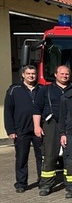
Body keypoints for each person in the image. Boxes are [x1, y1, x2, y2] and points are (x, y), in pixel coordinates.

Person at [32, 65, 71, 196]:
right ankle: (46, 184)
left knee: (70, 156)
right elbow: (37, 108)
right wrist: (37, 126)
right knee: (49, 155)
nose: (64, 76)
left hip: (70, 125)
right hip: (51, 124)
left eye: (67, 74)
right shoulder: (46, 90)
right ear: (55, 74)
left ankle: (70, 183)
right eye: (62, 73)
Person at [4, 65, 42, 193]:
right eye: (28, 73)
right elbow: (8, 111)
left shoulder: (42, 89)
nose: (31, 76)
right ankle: (21, 183)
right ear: (23, 75)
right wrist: (11, 130)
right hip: (21, 130)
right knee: (21, 158)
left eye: (33, 73)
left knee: (41, 157)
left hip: (38, 130)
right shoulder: (14, 89)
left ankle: (43, 180)